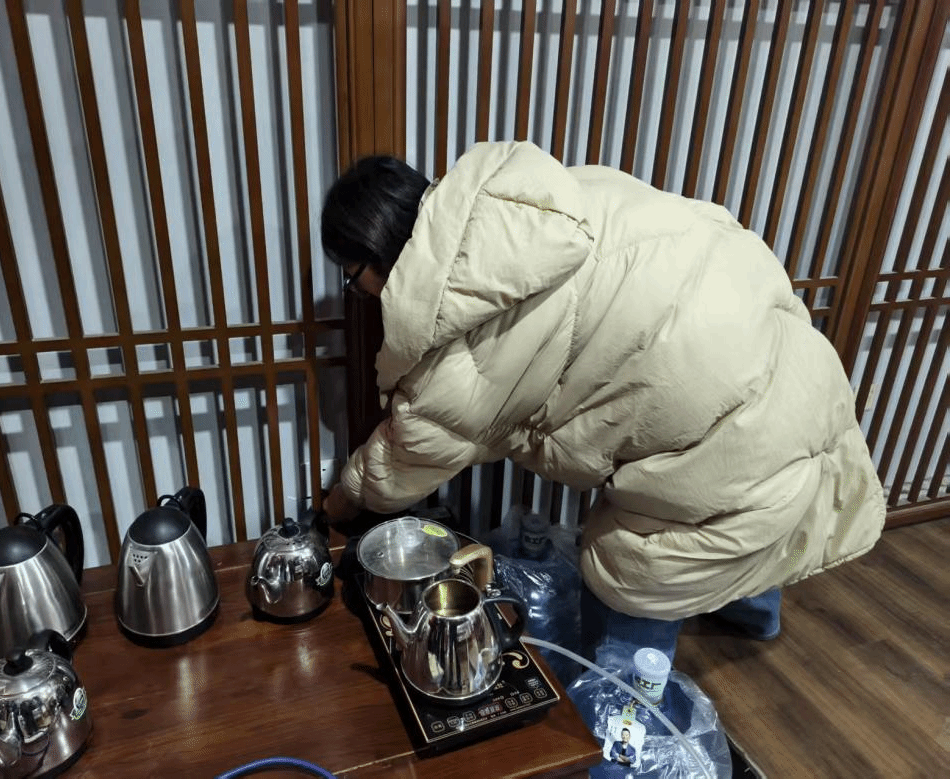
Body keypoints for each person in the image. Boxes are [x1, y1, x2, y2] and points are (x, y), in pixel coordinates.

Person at [319, 140, 886, 662]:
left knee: (632, 563)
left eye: (352, 277)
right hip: (799, 370)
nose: (359, 293)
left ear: (375, 254)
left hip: (731, 432)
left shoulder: (449, 333)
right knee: (745, 500)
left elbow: (403, 460)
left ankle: (622, 715)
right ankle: (756, 614)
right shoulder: (533, 196)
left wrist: (337, 504)